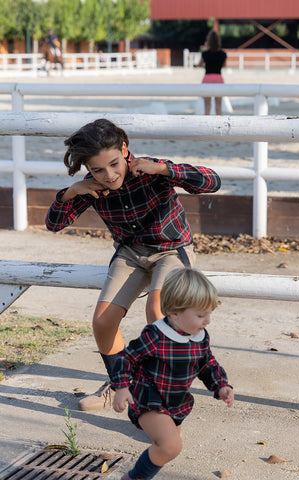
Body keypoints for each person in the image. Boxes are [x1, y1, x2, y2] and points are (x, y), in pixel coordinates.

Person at [45, 118, 221, 412]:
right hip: (130, 254)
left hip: (172, 250)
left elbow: (213, 182)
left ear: (125, 149)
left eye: (114, 164)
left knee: (158, 313)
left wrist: (164, 168)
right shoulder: (92, 186)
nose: (109, 175)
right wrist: (72, 191)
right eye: (98, 169)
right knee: (102, 321)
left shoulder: (151, 170)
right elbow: (54, 224)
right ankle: (119, 385)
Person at [111, 267, 234, 480]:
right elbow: (126, 358)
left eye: (209, 314)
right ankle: (133, 477)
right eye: (201, 315)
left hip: (176, 402)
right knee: (170, 446)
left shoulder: (199, 336)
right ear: (175, 313)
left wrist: (220, 385)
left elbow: (207, 364)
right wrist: (122, 387)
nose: (208, 321)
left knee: (166, 448)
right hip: (148, 399)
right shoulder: (156, 335)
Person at [198, 30, 227, 116]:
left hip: (207, 78)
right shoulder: (223, 54)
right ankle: (221, 127)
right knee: (218, 107)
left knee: (207, 107)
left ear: (208, 41)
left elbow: (199, 65)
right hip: (218, 78)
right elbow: (224, 66)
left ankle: (205, 127)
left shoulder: (205, 54)